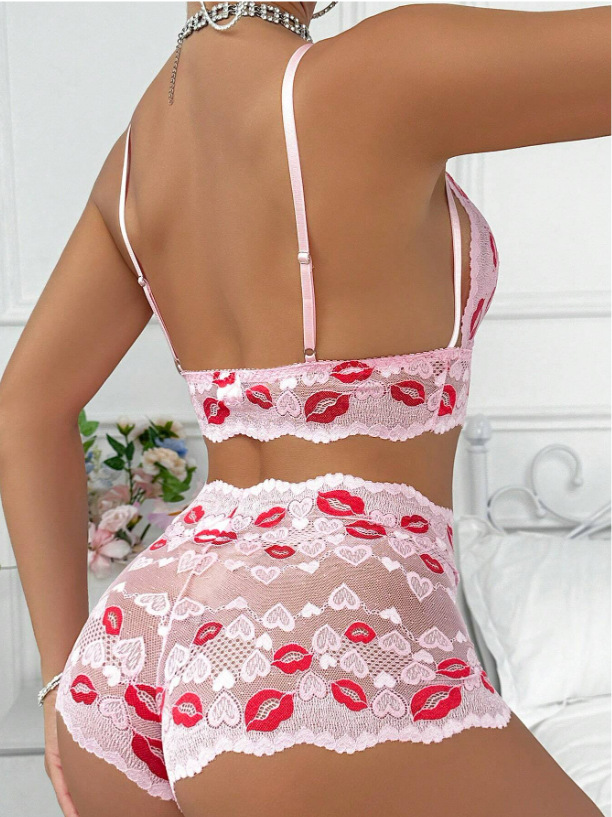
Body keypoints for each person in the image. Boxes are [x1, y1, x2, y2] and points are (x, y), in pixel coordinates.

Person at [0, 2, 609, 816]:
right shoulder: (376, 75)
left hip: (121, 671)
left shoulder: (136, 160)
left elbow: (26, 405)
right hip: (312, 646)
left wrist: (59, 680)